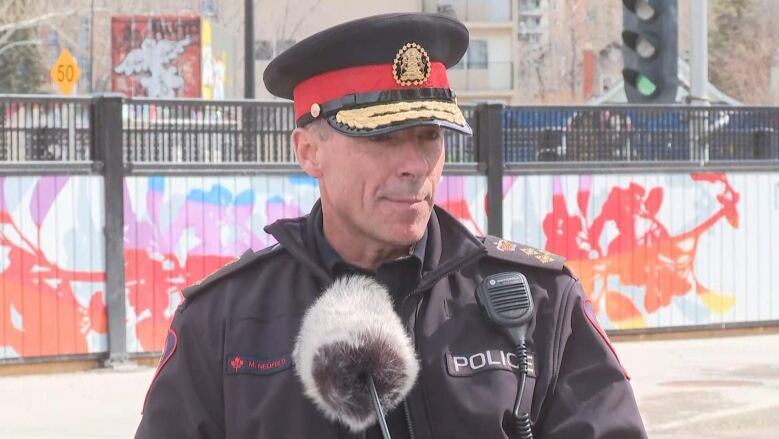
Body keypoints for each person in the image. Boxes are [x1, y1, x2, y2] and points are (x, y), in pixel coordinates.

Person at [135, 12, 647, 439]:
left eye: (429, 137)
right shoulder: (223, 320)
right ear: (309, 152)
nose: (415, 165)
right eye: (382, 139)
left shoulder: (539, 302)